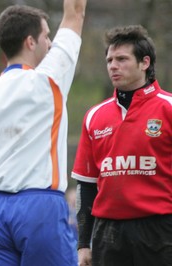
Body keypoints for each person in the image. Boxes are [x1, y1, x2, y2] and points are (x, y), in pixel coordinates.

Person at [0, 0, 87, 265]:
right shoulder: (49, 80)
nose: (50, 43)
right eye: (46, 36)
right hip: (40, 207)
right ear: (30, 42)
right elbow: (75, 12)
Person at [72, 25, 172, 266]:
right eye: (109, 60)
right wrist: (83, 243)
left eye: (121, 59)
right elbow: (85, 186)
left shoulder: (168, 107)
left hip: (160, 229)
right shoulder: (94, 116)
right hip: (108, 232)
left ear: (144, 62)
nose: (113, 66)